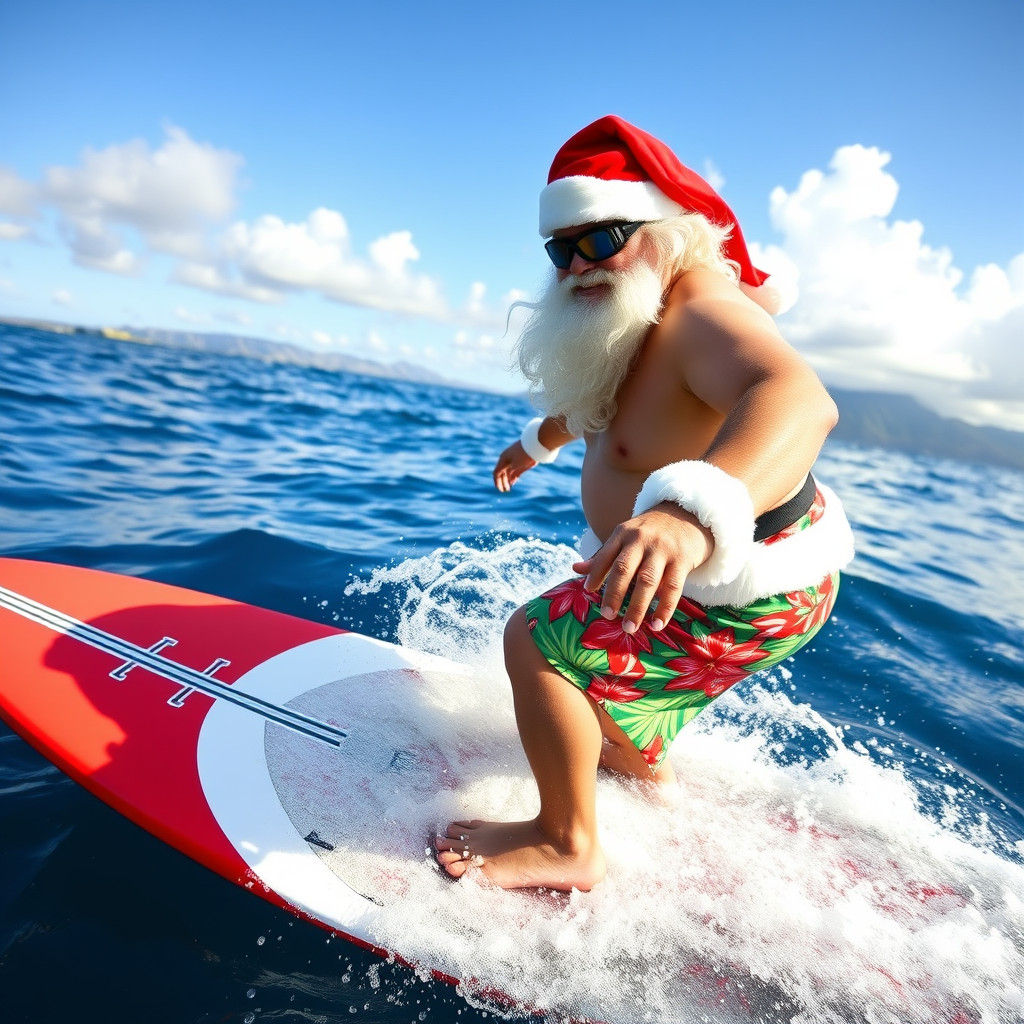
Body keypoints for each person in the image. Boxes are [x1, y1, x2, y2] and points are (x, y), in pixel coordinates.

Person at [434, 115, 854, 892]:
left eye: (603, 238)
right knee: (598, 637)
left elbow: (799, 399)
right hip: (742, 575)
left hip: (752, 575)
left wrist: (689, 516)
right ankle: (638, 761)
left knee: (538, 637)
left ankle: (567, 842)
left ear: (668, 230)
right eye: (561, 248)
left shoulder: (699, 309)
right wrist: (537, 442)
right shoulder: (630, 314)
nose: (579, 263)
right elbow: (597, 403)